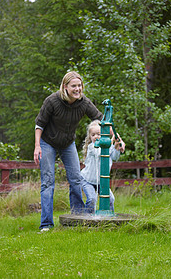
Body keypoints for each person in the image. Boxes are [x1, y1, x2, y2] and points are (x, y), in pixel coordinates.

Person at [34, 71, 103, 231]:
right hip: (47, 142)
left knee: (76, 179)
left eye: (79, 85)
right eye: (74, 86)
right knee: (48, 182)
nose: (77, 89)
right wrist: (37, 146)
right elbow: (39, 124)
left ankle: (77, 219)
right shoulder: (52, 101)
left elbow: (101, 118)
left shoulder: (84, 103)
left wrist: (116, 137)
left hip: (67, 143)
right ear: (65, 87)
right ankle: (46, 224)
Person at [81, 120, 125, 214]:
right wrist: (112, 141)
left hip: (101, 181)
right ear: (90, 137)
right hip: (88, 180)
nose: (96, 137)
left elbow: (115, 157)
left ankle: (108, 218)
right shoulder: (92, 147)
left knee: (110, 199)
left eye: (98, 134)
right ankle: (88, 220)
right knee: (92, 199)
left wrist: (116, 146)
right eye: (93, 135)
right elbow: (100, 153)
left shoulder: (108, 147)